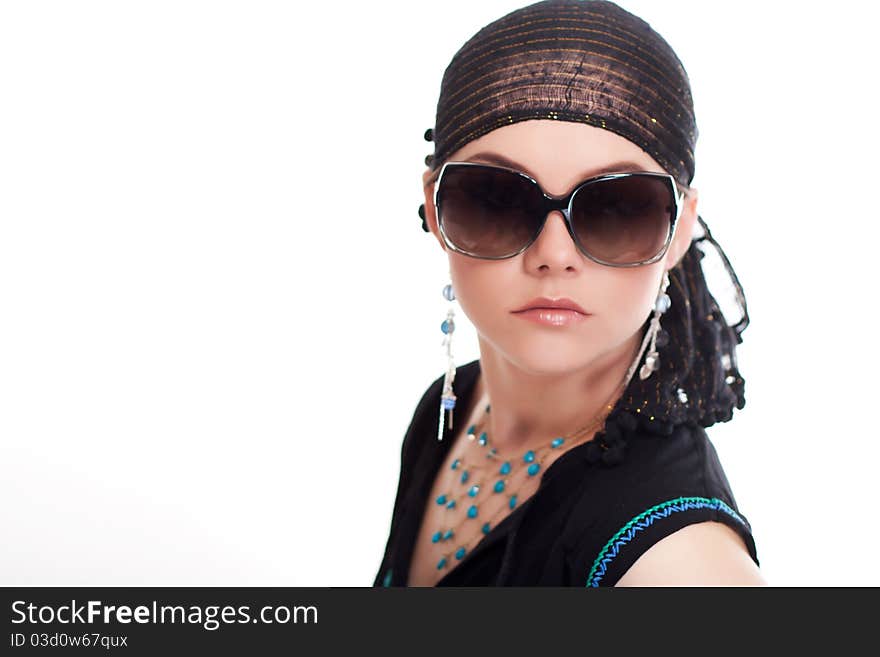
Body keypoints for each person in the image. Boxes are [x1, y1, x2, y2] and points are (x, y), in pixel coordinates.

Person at [374, 0, 766, 586]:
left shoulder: (680, 562)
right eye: (496, 197)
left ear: (679, 230)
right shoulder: (447, 411)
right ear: (433, 206)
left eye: (617, 207)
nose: (554, 256)